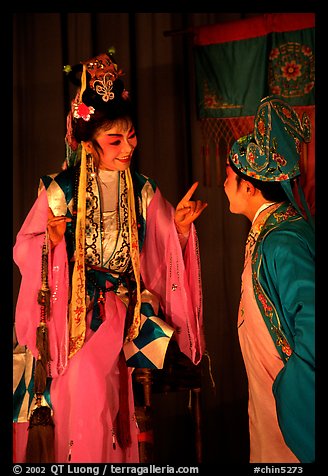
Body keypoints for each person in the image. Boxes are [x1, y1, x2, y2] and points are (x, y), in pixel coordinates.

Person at [13, 50, 207, 464]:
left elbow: (162, 245)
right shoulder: (59, 190)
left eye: (131, 136)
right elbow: (24, 246)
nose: (127, 148)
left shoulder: (141, 188)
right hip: (73, 314)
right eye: (114, 140)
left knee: (110, 412)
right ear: (88, 143)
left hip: (120, 313)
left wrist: (182, 228)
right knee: (85, 407)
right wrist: (50, 244)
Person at [224, 95, 315, 463]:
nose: (224, 184)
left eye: (230, 179)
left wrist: (291, 390)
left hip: (289, 404)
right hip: (269, 399)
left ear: (250, 187)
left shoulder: (283, 241)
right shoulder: (271, 233)